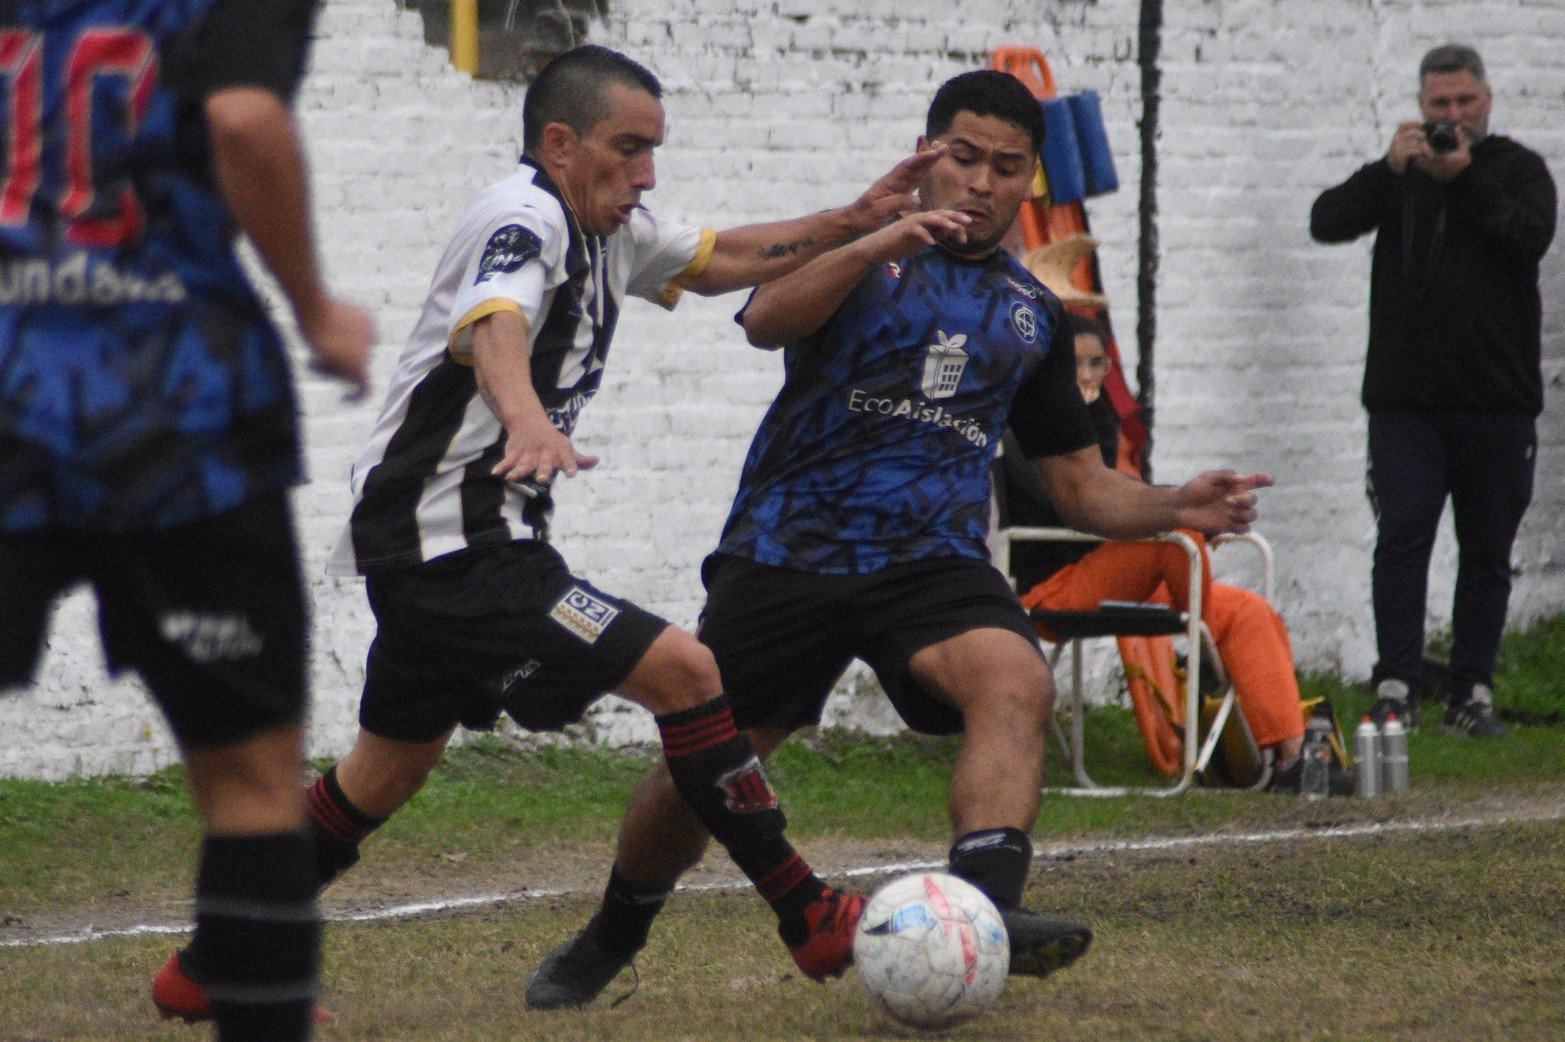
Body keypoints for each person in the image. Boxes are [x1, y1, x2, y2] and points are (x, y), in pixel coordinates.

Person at [146, 42, 948, 1017]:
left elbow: (722, 259)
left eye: (654, 148)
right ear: (560, 143)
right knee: (686, 673)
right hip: (455, 550)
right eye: (628, 147)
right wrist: (524, 418)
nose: (645, 171)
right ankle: (805, 909)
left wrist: (851, 222)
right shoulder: (522, 220)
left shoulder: (612, 228)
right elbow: (498, 326)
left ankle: (212, 959)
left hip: (447, 549)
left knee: (382, 775)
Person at [525, 69, 1271, 1009]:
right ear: (927, 157)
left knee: (1015, 679)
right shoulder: (859, 254)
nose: (981, 183)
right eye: (962, 158)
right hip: (790, 551)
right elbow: (763, 323)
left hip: (932, 564)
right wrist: (869, 237)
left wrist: (1175, 505)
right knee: (703, 772)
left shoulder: (1034, 314)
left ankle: (982, 921)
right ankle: (611, 933)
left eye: (1007, 168)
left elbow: (1078, 484)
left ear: (1028, 181)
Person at [1, 1, 373, 1039]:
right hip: (181, 409)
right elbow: (246, 122)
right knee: (251, 780)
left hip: (10, 386)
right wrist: (313, 306)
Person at [1310, 44, 1555, 738]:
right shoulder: (1399, 174)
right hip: (1402, 402)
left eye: (1464, 103)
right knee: (1403, 532)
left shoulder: (1516, 170)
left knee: (1485, 550)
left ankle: (1471, 689)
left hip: (1496, 402)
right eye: (1439, 105)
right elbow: (1324, 221)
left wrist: (1466, 176)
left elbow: (1528, 237)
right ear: (1420, 105)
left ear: (1487, 100)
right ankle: (1396, 682)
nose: (1452, 117)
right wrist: (1389, 169)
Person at [1001, 315, 1352, 794]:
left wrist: (1092, 419)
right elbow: (1074, 501)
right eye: (1073, 365)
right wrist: (1181, 508)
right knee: (1178, 533)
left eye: (1096, 364)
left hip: (1122, 581)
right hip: (1054, 586)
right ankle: (1203, 649)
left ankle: (1290, 761)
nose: (1085, 376)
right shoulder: (1022, 422)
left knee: (1248, 611)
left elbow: (1120, 489)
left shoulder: (1100, 420)